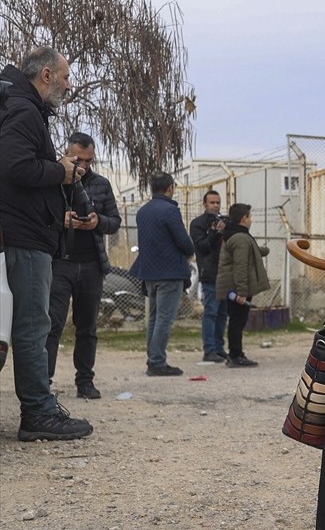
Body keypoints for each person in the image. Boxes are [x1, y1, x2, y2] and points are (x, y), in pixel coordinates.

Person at [0, 47, 94, 440]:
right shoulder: (23, 111)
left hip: (24, 232)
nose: (69, 84)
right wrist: (61, 171)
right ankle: (38, 412)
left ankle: (39, 407)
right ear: (45, 76)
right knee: (33, 324)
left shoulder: (19, 107)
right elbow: (15, 166)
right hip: (26, 236)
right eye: (66, 76)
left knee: (28, 324)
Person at [46, 132, 121, 400]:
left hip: (91, 265)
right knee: (52, 325)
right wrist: (60, 220)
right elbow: (38, 218)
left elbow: (115, 220)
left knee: (87, 327)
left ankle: (85, 382)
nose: (83, 166)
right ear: (67, 154)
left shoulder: (101, 184)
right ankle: (44, 384)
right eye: (78, 159)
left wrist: (97, 221)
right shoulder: (53, 181)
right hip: (59, 264)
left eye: (88, 161)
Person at [130, 171, 194, 377]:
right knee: (164, 319)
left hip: (149, 272)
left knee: (154, 317)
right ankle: (158, 361)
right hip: (169, 272)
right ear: (170, 189)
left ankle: (153, 358)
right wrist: (189, 250)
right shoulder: (170, 210)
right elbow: (183, 241)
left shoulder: (142, 212)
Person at [216, 203, 269, 368]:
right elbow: (240, 266)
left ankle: (236, 353)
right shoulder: (240, 237)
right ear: (244, 218)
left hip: (234, 287)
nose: (251, 220)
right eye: (249, 217)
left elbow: (251, 250)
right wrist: (242, 292)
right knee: (237, 321)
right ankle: (235, 355)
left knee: (237, 320)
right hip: (236, 288)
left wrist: (263, 250)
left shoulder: (238, 235)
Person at [190, 189, 229, 363]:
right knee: (211, 312)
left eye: (218, 202)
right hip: (209, 273)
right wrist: (214, 233)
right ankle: (209, 349)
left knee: (222, 313)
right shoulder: (198, 224)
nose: (215, 205)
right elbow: (203, 247)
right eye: (212, 202)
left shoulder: (224, 222)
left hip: (225, 273)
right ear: (205, 204)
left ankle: (219, 348)